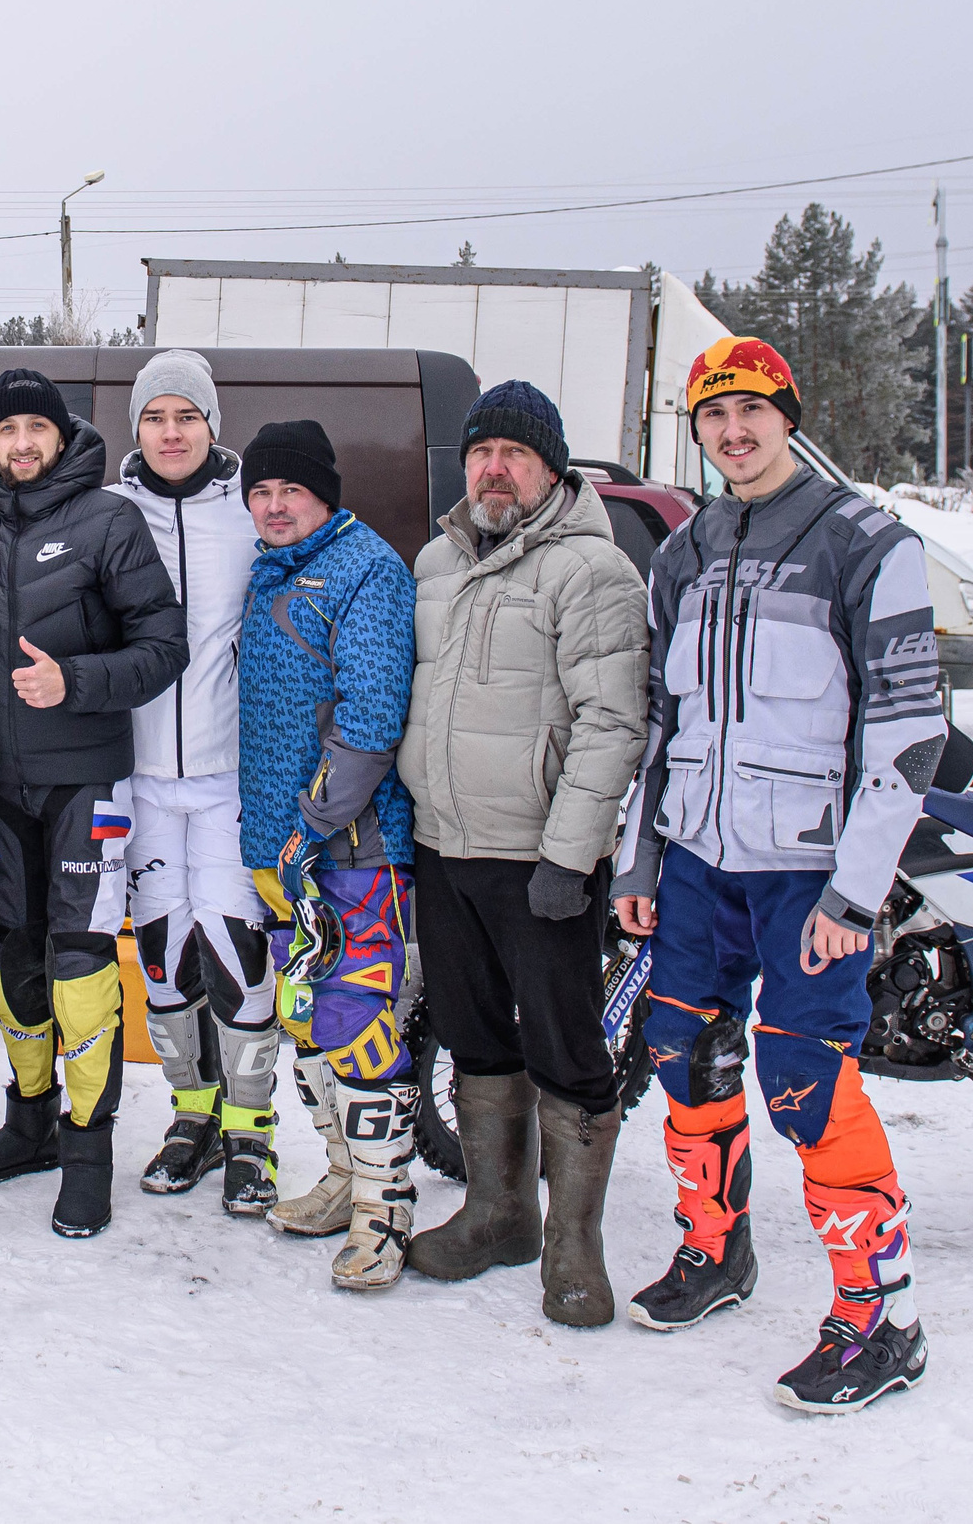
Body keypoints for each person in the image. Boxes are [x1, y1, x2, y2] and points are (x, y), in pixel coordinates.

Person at [612, 336, 943, 1413]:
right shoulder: (684, 552)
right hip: (699, 865)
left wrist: (854, 893)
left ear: (787, 417)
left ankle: (877, 1313)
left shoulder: (865, 542)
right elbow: (661, 726)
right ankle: (717, 1252)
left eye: (751, 411)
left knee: (809, 1085)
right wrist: (641, 856)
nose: (733, 432)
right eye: (714, 415)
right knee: (682, 1054)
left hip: (808, 876)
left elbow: (907, 732)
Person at [397, 381, 649, 1324]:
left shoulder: (592, 572)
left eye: (514, 454)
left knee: (567, 1045)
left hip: (538, 857)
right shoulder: (436, 562)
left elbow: (612, 720)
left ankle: (573, 1245)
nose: (494, 469)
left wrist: (570, 854)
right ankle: (500, 1212)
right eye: (481, 453)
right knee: (471, 1032)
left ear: (551, 468)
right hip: (442, 844)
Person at [0, 368, 187, 1239]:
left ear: (59, 433)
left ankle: (89, 1154)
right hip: (0, 786)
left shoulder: (108, 519)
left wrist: (74, 681)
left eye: (33, 429)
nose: (20, 444)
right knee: (8, 964)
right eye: (5, 431)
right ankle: (32, 1121)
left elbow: (165, 646)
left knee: (82, 972)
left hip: (88, 779)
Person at [234, 421, 421, 1290]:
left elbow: (373, 714)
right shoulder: (266, 567)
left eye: (291, 492)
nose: (274, 506)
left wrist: (314, 822)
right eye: (261, 492)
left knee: (359, 1020)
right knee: (306, 1017)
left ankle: (386, 1212)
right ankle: (345, 1172)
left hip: (350, 846)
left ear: (325, 495)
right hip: (281, 848)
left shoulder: (366, 569)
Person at [108, 351, 276, 1211]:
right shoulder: (110, 514)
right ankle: (192, 1116)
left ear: (213, 425)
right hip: (136, 777)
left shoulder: (248, 515)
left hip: (226, 779)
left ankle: (253, 1134)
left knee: (237, 950)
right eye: (155, 417)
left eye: (187, 416)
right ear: (135, 429)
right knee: (164, 954)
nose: (171, 433)